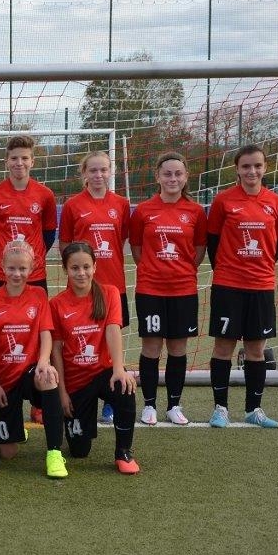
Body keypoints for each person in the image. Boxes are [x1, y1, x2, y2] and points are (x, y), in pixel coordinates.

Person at [206, 144, 278, 429]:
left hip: (261, 287)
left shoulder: (276, 203)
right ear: (237, 169)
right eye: (246, 166)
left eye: (257, 166)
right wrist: (230, 270)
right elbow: (213, 243)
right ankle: (220, 409)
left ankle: (254, 410)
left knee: (256, 350)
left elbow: (277, 245)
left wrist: (259, 268)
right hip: (228, 286)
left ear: (265, 168)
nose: (252, 171)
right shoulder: (223, 201)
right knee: (223, 348)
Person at [128, 152, 207, 426]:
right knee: (151, 347)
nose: (173, 178)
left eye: (178, 174)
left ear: (186, 177)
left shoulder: (196, 212)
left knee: (177, 348)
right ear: (158, 177)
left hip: (183, 291)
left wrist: (180, 270)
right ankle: (149, 405)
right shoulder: (143, 211)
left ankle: (174, 405)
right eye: (167, 173)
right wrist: (155, 269)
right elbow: (137, 249)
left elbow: (198, 250)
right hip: (150, 290)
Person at [50, 242, 139, 474]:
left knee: (125, 386)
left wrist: (119, 369)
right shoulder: (56, 304)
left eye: (86, 267)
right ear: (65, 269)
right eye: (75, 268)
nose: (81, 273)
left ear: (95, 267)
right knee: (79, 451)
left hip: (104, 372)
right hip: (76, 381)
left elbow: (113, 330)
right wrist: (62, 392)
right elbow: (56, 349)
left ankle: (123, 452)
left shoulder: (110, 293)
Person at [58, 150, 131, 427]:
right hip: (82, 288)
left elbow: (121, 239)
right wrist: (80, 272)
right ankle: (82, 393)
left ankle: (111, 398)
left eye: (103, 170)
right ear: (84, 173)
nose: (99, 175)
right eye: (93, 170)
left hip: (114, 285)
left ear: (110, 172)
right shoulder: (73, 205)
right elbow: (66, 245)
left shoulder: (121, 204)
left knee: (110, 344)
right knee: (81, 340)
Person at [0, 241, 67, 479]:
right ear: (2, 267)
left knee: (48, 377)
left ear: (31, 269)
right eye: (12, 268)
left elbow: (46, 333)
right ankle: (12, 426)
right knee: (7, 454)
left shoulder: (38, 295)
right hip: (3, 380)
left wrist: (43, 362)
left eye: (22, 268)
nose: (17, 274)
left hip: (30, 372)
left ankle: (54, 453)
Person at [0, 135, 57, 292]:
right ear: (6, 161)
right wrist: (5, 257)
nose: (19, 163)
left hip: (34, 273)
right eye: (14, 158)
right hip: (0, 272)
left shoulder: (46, 195)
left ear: (32, 161)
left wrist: (30, 257)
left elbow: (49, 236)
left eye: (25, 158)